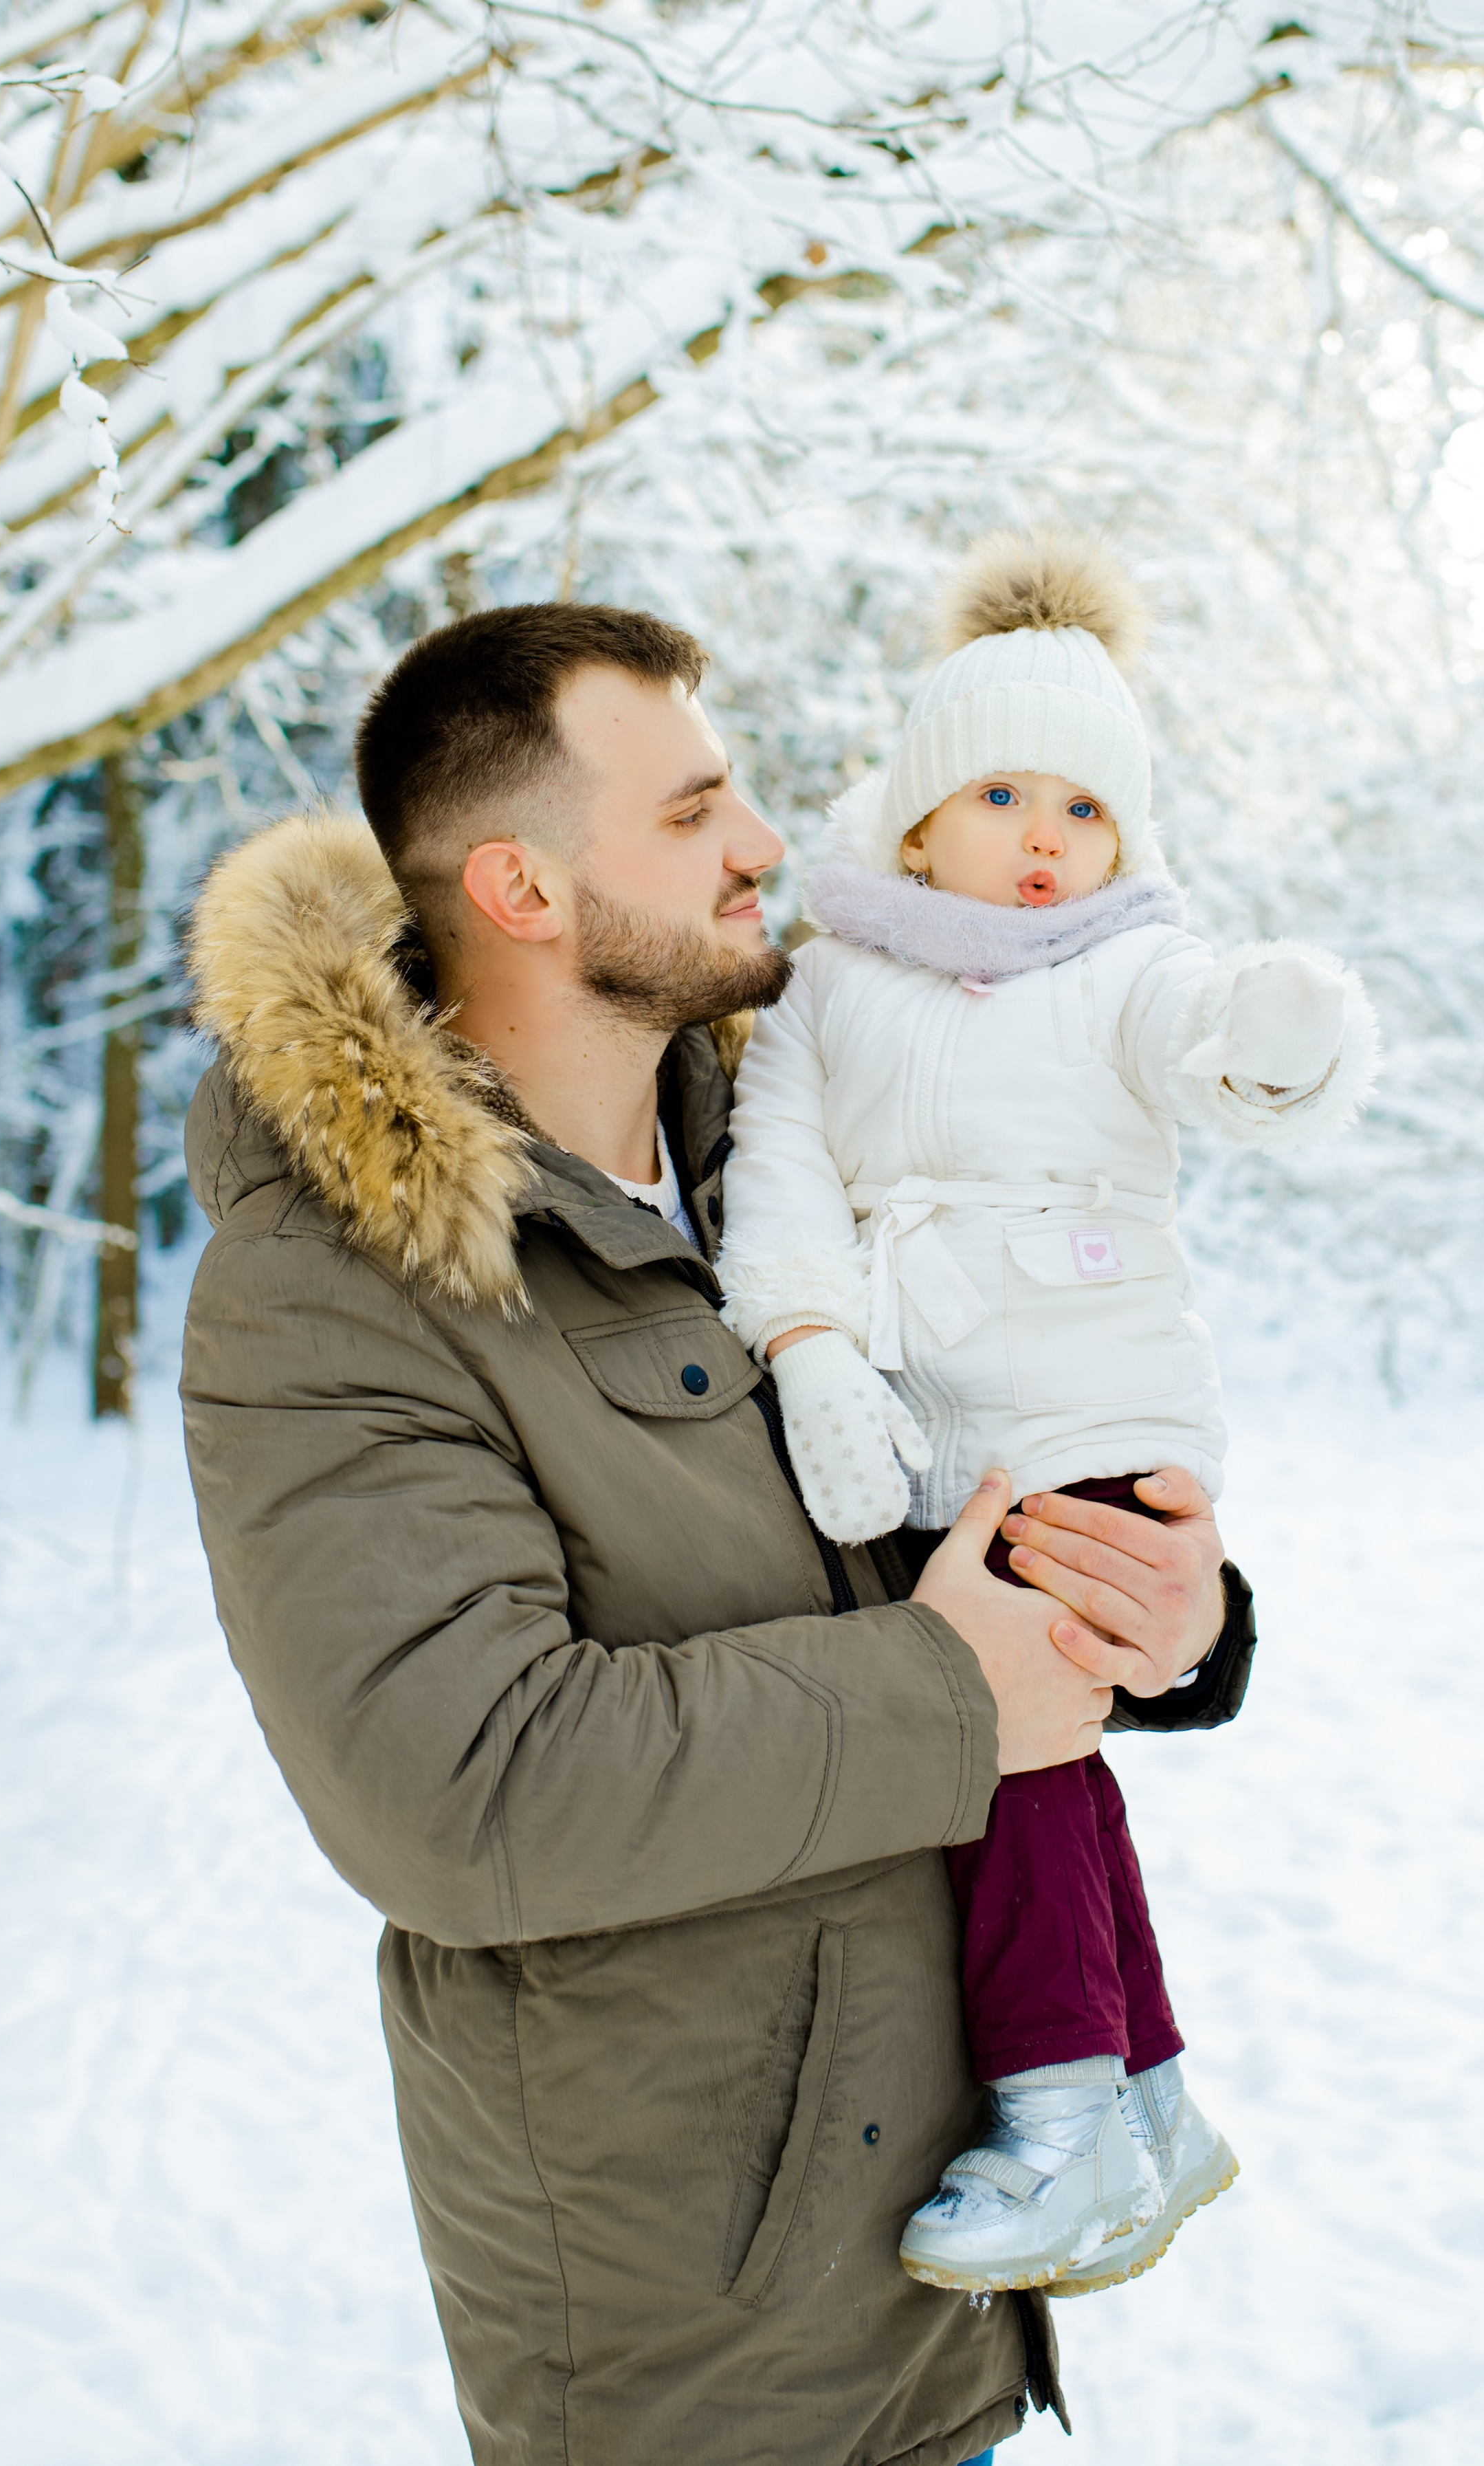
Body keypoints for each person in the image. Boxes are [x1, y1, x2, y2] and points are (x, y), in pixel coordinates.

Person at [179, 599, 1254, 2466]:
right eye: (694, 811)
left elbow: (963, 1514)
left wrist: (1173, 1611)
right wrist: (942, 1691)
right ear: (520, 884)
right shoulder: (333, 1291)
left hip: (939, 2272)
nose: (765, 841)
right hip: (708, 2357)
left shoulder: (792, 1150)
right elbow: (463, 1789)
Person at [716, 531, 1377, 2302]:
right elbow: (776, 1175)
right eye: (1001, 793)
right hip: (929, 1429)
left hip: (1096, 1425)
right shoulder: (829, 982)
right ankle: (1145, 2093)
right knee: (1041, 1750)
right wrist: (806, 1343)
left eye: (1083, 808)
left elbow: (1209, 1042)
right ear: (915, 817)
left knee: (1011, 1744)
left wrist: (1282, 1028)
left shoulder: (1125, 962)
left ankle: (1064, 2105)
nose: (1042, 839)